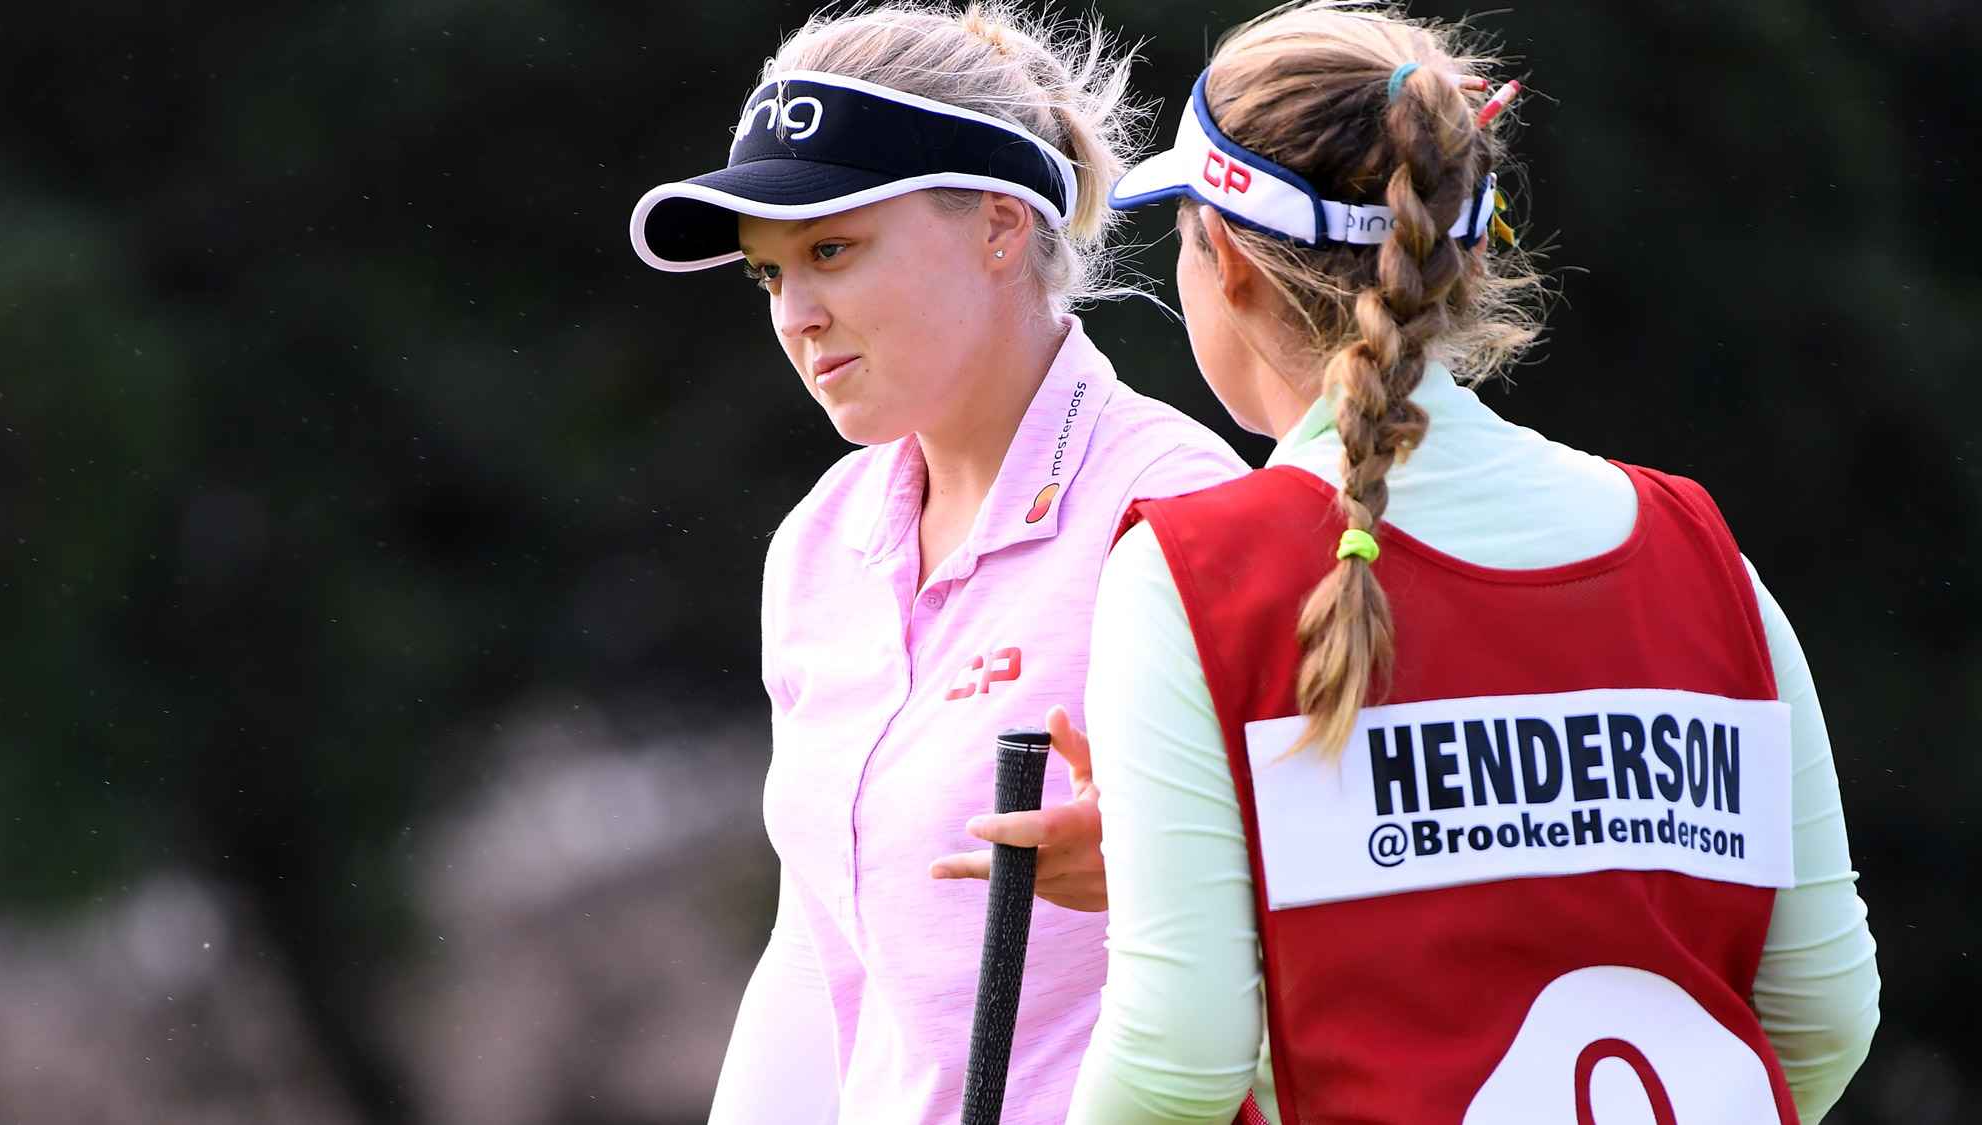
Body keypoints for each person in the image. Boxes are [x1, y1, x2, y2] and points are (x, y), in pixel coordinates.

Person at [1061, 5, 1882, 1124]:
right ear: (1462, 256)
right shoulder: (1699, 551)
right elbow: (1822, 1012)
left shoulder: (1189, 573)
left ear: (1230, 263)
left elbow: (1177, 1059)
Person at [626, 5, 1247, 1122]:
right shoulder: (818, 544)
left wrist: (1171, 873)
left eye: (830, 249)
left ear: (1001, 225)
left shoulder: (1175, 507)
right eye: (767, 275)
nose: (797, 317)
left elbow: (1315, 922)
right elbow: (818, 957)